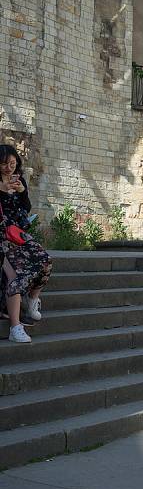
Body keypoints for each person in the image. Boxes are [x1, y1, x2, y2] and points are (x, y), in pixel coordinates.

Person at [0, 144, 53, 343]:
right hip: (2, 236)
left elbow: (26, 208)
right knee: (15, 273)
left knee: (45, 260)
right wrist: (3, 191)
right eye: (4, 164)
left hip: (17, 233)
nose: (9, 168)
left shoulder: (19, 180)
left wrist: (22, 191)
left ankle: (32, 299)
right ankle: (15, 327)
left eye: (12, 163)